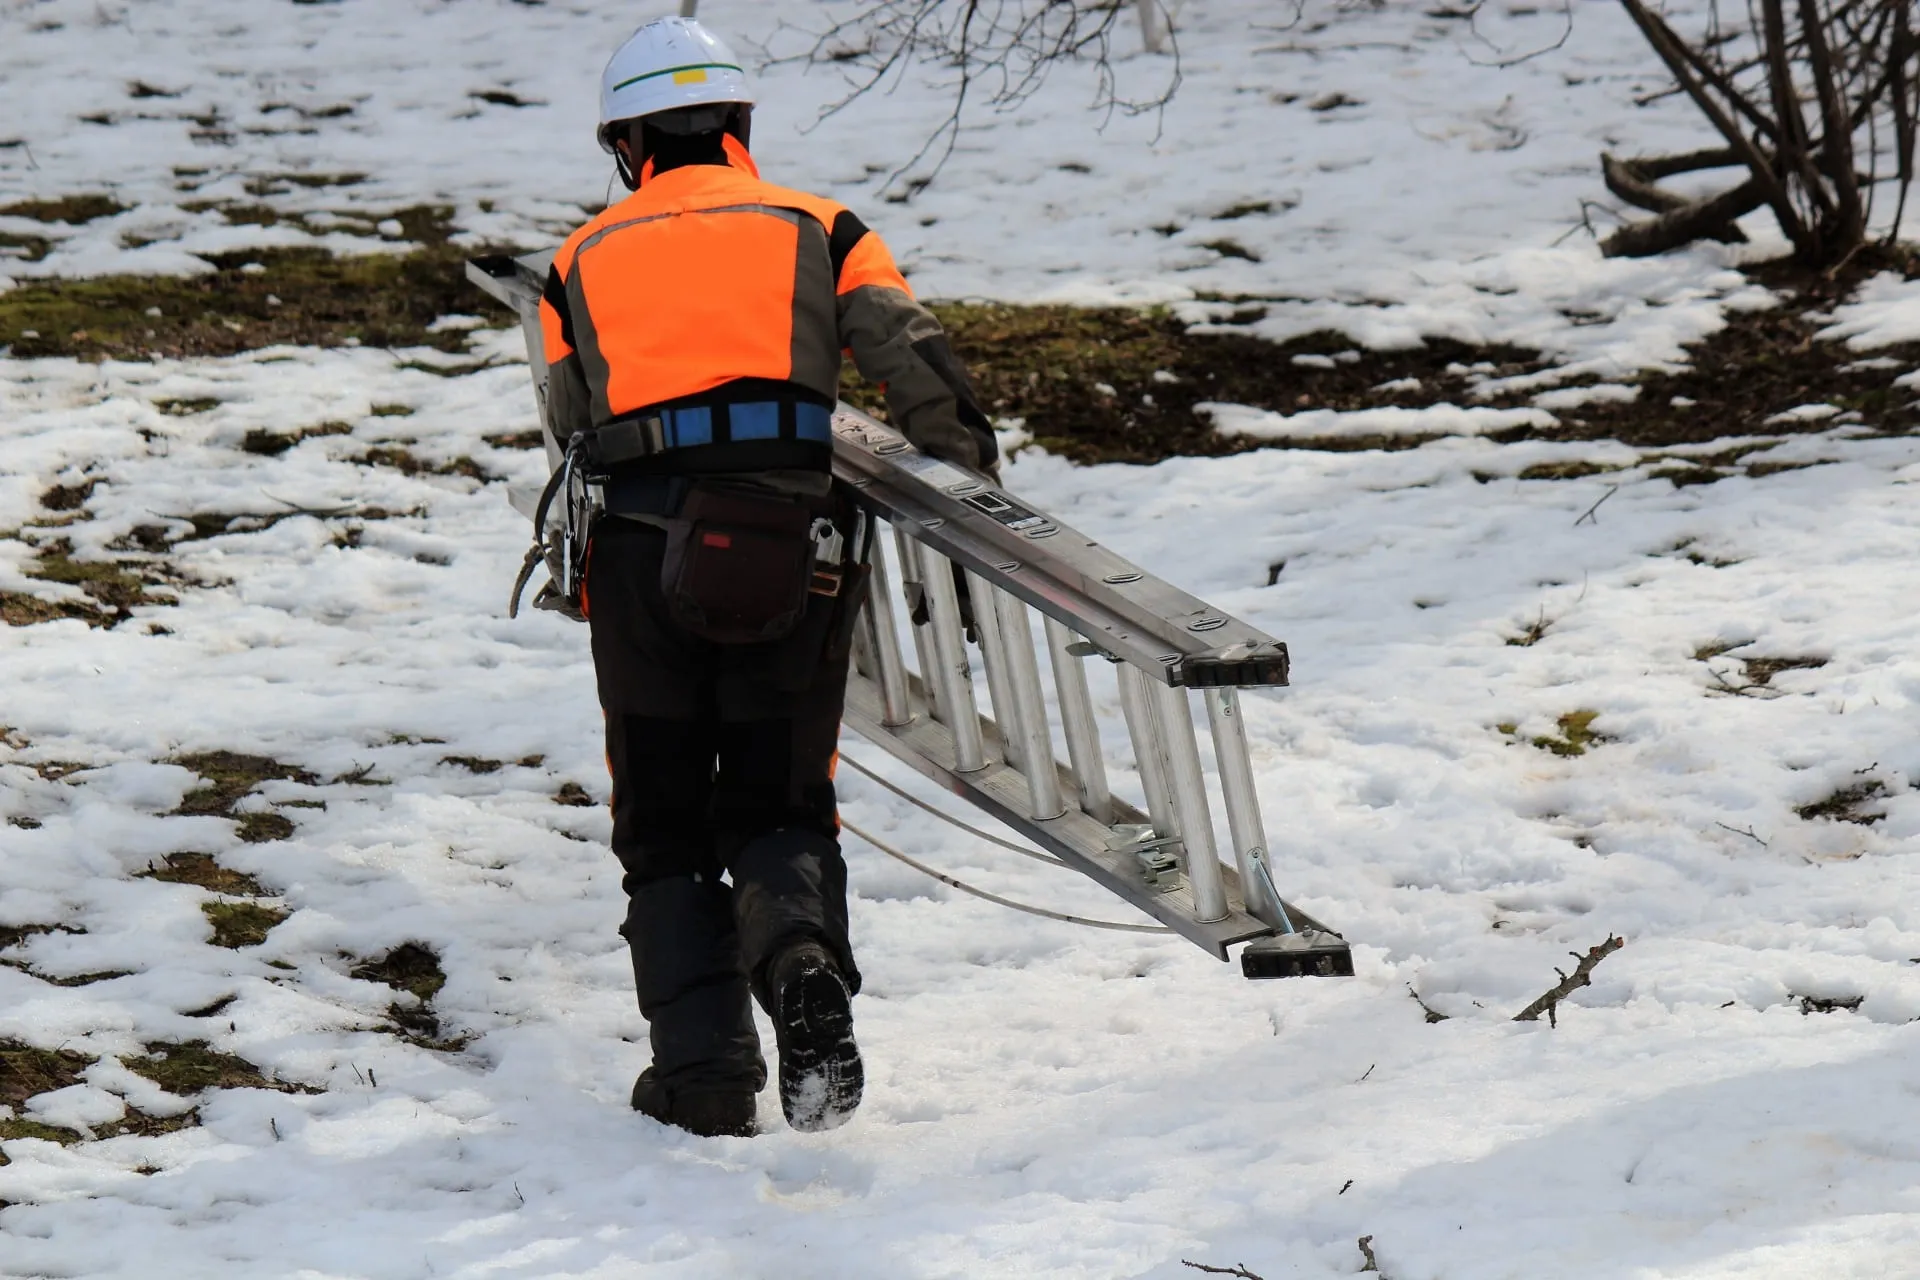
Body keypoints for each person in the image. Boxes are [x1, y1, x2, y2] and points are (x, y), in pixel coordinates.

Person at [538, 16, 997, 1137]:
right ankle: (801, 968)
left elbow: (567, 422)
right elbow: (920, 370)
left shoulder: (579, 258)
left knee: (662, 819)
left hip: (643, 560)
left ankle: (703, 1079)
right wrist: (974, 501)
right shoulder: (825, 228)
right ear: (739, 125)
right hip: (796, 556)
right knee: (780, 797)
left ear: (627, 142)